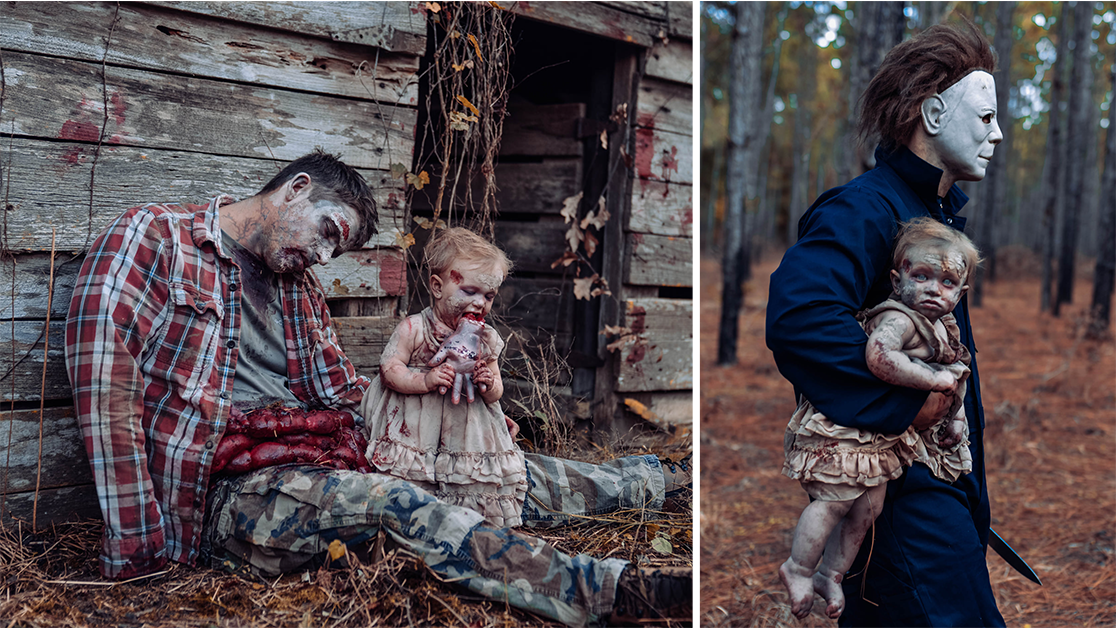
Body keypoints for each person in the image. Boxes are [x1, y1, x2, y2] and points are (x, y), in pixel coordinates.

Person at [64, 149, 697, 627]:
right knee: (400, 504)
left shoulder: (299, 289)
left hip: (327, 454)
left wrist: (457, 434)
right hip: (229, 493)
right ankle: (615, 594)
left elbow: (343, 391)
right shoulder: (156, 240)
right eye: (330, 233)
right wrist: (140, 547)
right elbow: (105, 391)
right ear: (296, 190)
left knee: (503, 474)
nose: (323, 257)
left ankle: (665, 479)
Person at [766, 19, 1007, 625]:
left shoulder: (928, 212)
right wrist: (907, 406)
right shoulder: (865, 207)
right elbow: (801, 317)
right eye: (984, 117)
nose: (998, 134)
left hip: (931, 484)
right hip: (900, 498)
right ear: (931, 114)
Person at [779, 218, 980, 619]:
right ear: (897, 277)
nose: (932, 290)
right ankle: (798, 568)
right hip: (851, 433)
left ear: (962, 292)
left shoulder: (945, 327)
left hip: (883, 441)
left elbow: (959, 374)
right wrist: (931, 378)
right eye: (920, 275)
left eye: (947, 283)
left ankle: (831, 574)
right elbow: (879, 356)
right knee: (835, 501)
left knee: (868, 508)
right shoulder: (901, 319)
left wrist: (957, 418)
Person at [361, 227, 528, 527]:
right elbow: (389, 370)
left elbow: (497, 391)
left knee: (467, 480)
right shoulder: (414, 329)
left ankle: (470, 522)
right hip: (414, 428)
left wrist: (487, 384)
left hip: (466, 433)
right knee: (410, 483)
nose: (480, 303)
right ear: (438, 287)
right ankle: (411, 518)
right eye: (470, 291)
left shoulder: (486, 339)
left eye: (489, 295)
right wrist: (424, 380)